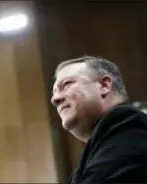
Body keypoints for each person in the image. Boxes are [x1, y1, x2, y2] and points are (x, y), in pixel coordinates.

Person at [51, 55, 147, 183]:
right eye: (54, 92)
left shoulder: (128, 124)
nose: (55, 99)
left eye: (67, 84)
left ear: (104, 85)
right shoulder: (102, 143)